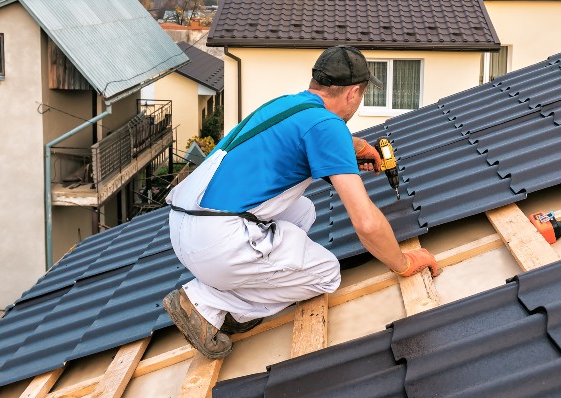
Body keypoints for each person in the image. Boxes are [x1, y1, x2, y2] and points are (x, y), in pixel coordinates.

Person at [163, 45, 440, 359]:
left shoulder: (287, 105)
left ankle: (235, 292)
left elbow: (314, 136)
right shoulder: (328, 126)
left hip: (185, 223)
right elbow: (365, 222)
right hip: (215, 242)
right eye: (362, 95)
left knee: (304, 209)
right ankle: (205, 302)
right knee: (326, 273)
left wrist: (359, 145)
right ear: (353, 93)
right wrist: (404, 263)